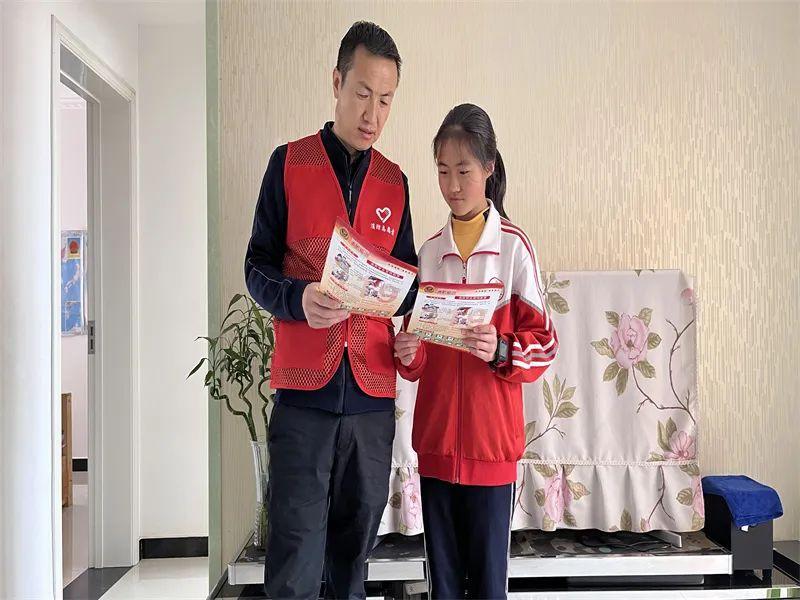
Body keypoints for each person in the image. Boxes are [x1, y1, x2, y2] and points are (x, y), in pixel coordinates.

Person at [244, 21, 417, 600]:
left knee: (353, 562)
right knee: (294, 562)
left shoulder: (396, 182)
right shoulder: (287, 164)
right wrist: (298, 299)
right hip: (303, 400)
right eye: (363, 93)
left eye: (386, 99)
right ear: (337, 82)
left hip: (371, 401)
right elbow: (256, 267)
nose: (373, 113)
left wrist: (407, 318)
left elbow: (409, 285)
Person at [394, 103, 558, 600]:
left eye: (463, 171)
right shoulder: (428, 253)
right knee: (442, 589)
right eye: (443, 171)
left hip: (491, 451)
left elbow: (545, 345)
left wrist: (501, 349)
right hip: (436, 449)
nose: (452, 185)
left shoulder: (514, 249)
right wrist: (408, 352)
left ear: (489, 167)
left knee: (488, 589)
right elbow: (418, 362)